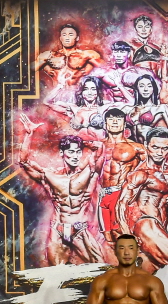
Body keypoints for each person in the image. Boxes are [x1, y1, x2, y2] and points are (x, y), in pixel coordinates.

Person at [16, 113, 105, 265]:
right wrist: (29, 135)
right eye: (71, 152)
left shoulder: (89, 173)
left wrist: (80, 141)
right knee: (56, 272)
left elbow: (99, 148)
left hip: (79, 228)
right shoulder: (50, 175)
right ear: (63, 153)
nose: (75, 156)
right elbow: (24, 162)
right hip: (58, 229)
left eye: (78, 152)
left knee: (100, 266)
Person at [116, 128, 168, 271]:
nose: (159, 152)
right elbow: (121, 203)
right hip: (147, 225)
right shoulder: (141, 174)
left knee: (157, 274)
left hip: (162, 228)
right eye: (155, 147)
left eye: (164, 148)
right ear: (146, 145)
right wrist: (127, 235)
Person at [96, 108, 145, 249]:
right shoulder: (98, 146)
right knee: (107, 240)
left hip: (121, 195)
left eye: (118, 119)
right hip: (102, 196)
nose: (115, 122)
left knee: (121, 235)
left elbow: (150, 169)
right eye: (111, 119)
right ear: (105, 124)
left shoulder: (136, 147)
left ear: (124, 124)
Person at [35, 23, 103, 101]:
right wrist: (46, 61)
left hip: (77, 95)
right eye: (64, 35)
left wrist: (87, 69)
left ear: (77, 38)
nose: (67, 38)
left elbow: (105, 68)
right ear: (60, 38)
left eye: (70, 35)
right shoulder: (49, 55)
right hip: (56, 95)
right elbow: (30, 69)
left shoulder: (87, 55)